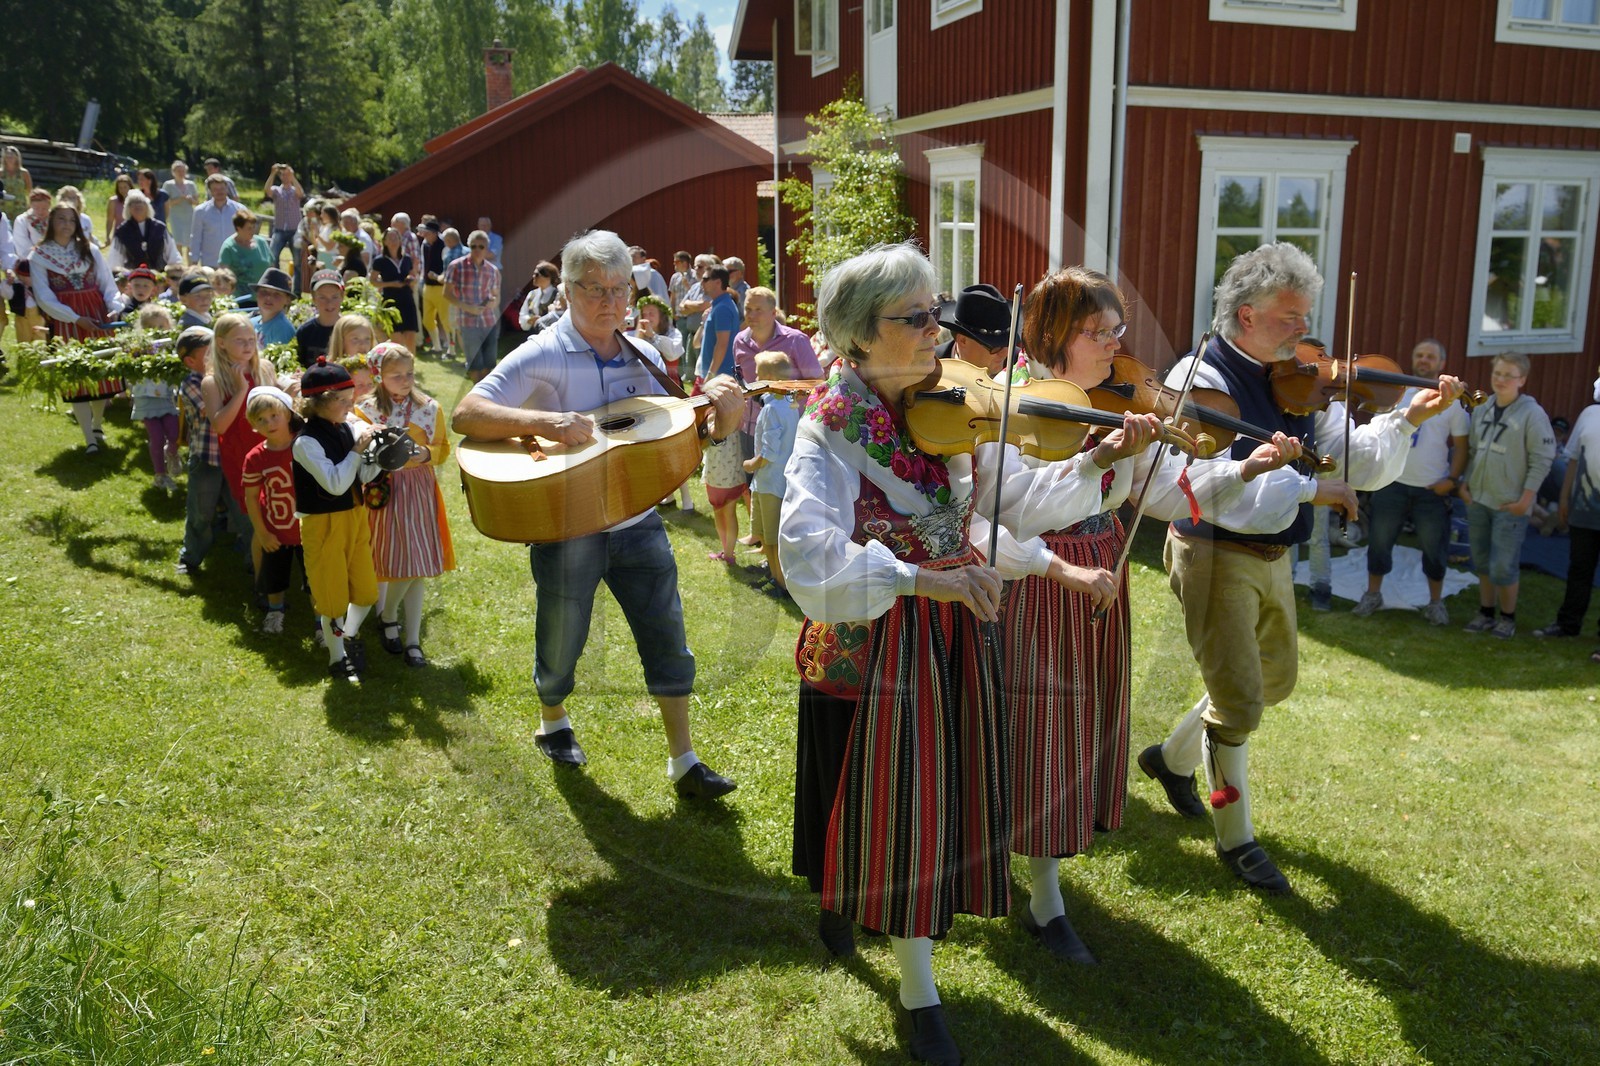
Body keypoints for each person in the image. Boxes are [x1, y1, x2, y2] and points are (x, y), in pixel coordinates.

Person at [778, 243, 1146, 1065]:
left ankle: (865, 911)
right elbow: (807, 558)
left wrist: (1055, 565)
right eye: (915, 318)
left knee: (929, 800)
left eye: (934, 313)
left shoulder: (939, 411)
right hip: (876, 645)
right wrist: (923, 581)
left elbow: (971, 527)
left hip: (948, 634)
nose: (936, 332)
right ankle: (918, 997)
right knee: (881, 794)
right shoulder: (831, 428)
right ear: (858, 336)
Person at [1135, 242, 1466, 897]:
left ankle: (1170, 759)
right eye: (1290, 316)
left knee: (1272, 683)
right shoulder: (1201, 377)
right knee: (1238, 707)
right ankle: (1238, 839)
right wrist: (1308, 490)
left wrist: (1405, 417)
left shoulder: (1301, 376)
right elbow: (1195, 483)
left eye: (1306, 316)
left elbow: (1351, 459)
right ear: (1248, 315)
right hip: (1214, 551)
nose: (1303, 331)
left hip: (1274, 553)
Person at [1003, 266, 1296, 963]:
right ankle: (1043, 902)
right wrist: (1100, 455)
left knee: (1074, 729)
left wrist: (1244, 469)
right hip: (1040, 583)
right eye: (1097, 333)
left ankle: (1036, 876)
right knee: (1039, 729)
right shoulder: (1011, 402)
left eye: (1117, 330)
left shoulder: (1127, 400)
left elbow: (1169, 492)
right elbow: (1005, 507)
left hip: (1100, 577)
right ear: (1051, 336)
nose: (1114, 345)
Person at [451, 228, 744, 799]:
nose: (610, 302)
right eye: (594, 289)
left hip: (638, 521)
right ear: (567, 291)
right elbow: (467, 411)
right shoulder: (542, 352)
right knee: (562, 640)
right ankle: (553, 719)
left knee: (667, 636)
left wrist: (721, 425)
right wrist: (545, 422)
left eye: (620, 289)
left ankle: (683, 760)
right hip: (566, 526)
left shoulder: (649, 355)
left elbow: (671, 440)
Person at [1352, 339, 1470, 625]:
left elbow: (1462, 447)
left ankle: (1435, 602)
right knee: (1380, 541)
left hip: (1431, 487)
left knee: (1434, 546)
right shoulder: (1397, 394)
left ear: (1441, 363)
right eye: (1420, 355)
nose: (1424, 360)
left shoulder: (1452, 401)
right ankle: (1372, 594)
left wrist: (1452, 480)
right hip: (1393, 481)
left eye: (1431, 357)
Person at [357, 343, 454, 667]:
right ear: (378, 375)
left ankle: (408, 635)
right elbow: (360, 453)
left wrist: (425, 454)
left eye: (409, 374)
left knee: (420, 566)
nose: (405, 380)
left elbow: (441, 447)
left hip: (420, 489)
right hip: (385, 492)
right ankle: (389, 618)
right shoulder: (366, 410)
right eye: (396, 375)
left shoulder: (429, 408)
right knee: (402, 562)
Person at [293, 358, 381, 683]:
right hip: (323, 524)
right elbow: (335, 483)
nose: (350, 406)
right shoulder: (305, 442)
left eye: (350, 398)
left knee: (366, 591)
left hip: (354, 517)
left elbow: (363, 476)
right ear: (318, 404)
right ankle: (336, 658)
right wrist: (358, 450)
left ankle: (348, 638)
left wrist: (380, 456)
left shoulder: (346, 427)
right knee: (332, 600)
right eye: (342, 401)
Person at [1460, 353, 1555, 638]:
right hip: (1478, 498)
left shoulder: (1532, 414)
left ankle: (1507, 617)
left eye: (1508, 375)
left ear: (1522, 380)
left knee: (1504, 564)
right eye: (1497, 373)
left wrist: (1527, 499)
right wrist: (1465, 484)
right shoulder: (1483, 408)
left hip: (1510, 503)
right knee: (1482, 559)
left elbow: (1543, 458)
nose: (1501, 379)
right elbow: (1474, 450)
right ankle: (1486, 612)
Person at [28, 203, 126, 451]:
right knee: (77, 375)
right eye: (61, 219)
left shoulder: (89, 249)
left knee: (102, 373)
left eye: (71, 220)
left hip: (96, 314)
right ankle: (88, 438)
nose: (67, 225)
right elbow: (43, 296)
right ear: (51, 222)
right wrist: (74, 318)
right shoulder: (39, 255)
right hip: (67, 320)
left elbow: (106, 283)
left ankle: (98, 424)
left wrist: (114, 305)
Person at [203, 313, 282, 580]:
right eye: (240, 340)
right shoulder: (213, 381)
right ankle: (259, 571)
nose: (248, 346)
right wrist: (240, 390)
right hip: (241, 456)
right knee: (253, 512)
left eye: (251, 339)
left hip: (273, 448)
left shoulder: (265, 369)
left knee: (278, 504)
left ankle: (279, 565)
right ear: (222, 343)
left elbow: (278, 407)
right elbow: (220, 425)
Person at [175, 325, 247, 576]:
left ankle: (253, 557)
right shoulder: (194, 382)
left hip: (234, 457)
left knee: (243, 509)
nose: (216, 356)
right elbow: (211, 411)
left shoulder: (230, 378)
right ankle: (192, 556)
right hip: (207, 458)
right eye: (209, 353)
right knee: (200, 510)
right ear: (190, 361)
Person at [1535, 377, 1600, 649]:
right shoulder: (1589, 414)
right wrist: (1563, 499)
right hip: (1584, 508)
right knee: (1579, 570)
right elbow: (1573, 458)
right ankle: (1567, 624)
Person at [241, 386, 305, 634]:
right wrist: (262, 533)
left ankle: (322, 623)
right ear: (254, 425)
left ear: (288, 414)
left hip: (308, 529)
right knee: (274, 577)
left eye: (274, 415)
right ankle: (274, 612)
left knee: (315, 580)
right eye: (261, 420)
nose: (269, 423)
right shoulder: (255, 457)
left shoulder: (304, 444)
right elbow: (251, 497)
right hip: (275, 530)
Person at [742, 351, 802, 593]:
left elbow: (769, 453)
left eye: (758, 374)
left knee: (772, 539)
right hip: (778, 481)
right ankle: (774, 576)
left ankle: (780, 584)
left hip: (770, 482)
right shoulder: (789, 404)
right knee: (770, 536)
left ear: (768, 377)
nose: (755, 377)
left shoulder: (771, 409)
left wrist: (749, 464)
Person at [128, 303, 183, 492]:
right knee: (157, 437)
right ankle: (160, 475)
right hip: (146, 398)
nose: (157, 332)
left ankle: (173, 454)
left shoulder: (172, 346)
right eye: (151, 328)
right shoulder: (139, 348)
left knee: (174, 433)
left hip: (166, 398)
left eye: (161, 327)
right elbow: (128, 365)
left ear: (168, 325)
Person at [443, 229, 501, 381]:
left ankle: (487, 398)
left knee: (489, 364)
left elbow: (496, 296)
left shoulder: (492, 270)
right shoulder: (456, 266)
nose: (477, 250)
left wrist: (493, 302)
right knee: (475, 365)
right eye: (473, 246)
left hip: (488, 321)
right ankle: (477, 395)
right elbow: (446, 294)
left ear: (486, 249)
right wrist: (468, 307)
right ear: (469, 247)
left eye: (481, 247)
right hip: (467, 322)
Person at [937, 283, 1017, 376]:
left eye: (1007, 343)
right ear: (963, 341)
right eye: (996, 347)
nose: (1005, 353)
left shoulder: (1018, 366)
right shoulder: (930, 365)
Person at [371, 227, 418, 351]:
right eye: (390, 238)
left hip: (407, 299)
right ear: (384, 241)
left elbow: (413, 274)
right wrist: (391, 284)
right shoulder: (379, 260)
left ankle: (411, 366)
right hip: (390, 301)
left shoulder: (406, 258)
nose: (393, 240)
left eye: (396, 237)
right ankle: (399, 364)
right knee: (396, 338)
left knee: (411, 335)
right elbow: (373, 281)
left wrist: (411, 279)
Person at [109, 191, 179, 271]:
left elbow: (172, 253)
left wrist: (174, 270)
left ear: (147, 206)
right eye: (133, 203)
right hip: (133, 279)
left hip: (159, 277)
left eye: (140, 202)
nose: (137, 205)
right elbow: (115, 259)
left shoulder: (160, 228)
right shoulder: (122, 231)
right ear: (128, 209)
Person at [188, 175, 246, 269]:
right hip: (211, 263)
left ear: (227, 189)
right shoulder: (201, 211)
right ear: (210, 191)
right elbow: (196, 238)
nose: (220, 191)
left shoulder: (240, 209)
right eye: (215, 189)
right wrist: (194, 262)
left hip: (235, 263)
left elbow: (246, 235)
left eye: (222, 188)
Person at [694, 265, 739, 383]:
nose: (701, 283)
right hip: (717, 375)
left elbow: (722, 344)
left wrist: (711, 373)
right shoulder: (719, 305)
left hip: (720, 376)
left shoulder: (722, 308)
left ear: (718, 282)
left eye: (705, 279)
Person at [263, 164, 304, 288]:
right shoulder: (276, 190)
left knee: (297, 262)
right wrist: (273, 173)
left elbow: (301, 193)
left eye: (288, 175)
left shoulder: (294, 190)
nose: (286, 177)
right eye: (283, 175)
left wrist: (293, 177)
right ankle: (278, 284)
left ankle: (297, 289)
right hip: (280, 229)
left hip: (294, 230)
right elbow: (267, 190)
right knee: (273, 256)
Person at [296, 270, 346, 367]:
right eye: (322, 297)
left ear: (342, 296)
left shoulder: (350, 329)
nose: (329, 303)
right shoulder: (305, 332)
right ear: (314, 298)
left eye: (334, 297)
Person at [218, 208, 275, 294]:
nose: (253, 231)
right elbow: (224, 276)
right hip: (240, 298)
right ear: (238, 228)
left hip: (263, 296)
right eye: (249, 228)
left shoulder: (262, 243)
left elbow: (272, 268)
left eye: (253, 227)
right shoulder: (229, 247)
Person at [417, 220, 451, 352]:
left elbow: (447, 266)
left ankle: (450, 346)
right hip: (427, 286)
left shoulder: (443, 245)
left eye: (427, 232)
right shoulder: (425, 245)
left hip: (440, 287)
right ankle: (437, 346)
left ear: (434, 233)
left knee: (445, 319)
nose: (424, 234)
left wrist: (438, 276)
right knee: (427, 319)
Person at [250, 267, 297, 347]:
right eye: (264, 292)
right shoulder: (251, 323)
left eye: (277, 294)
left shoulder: (282, 329)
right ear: (257, 295)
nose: (268, 297)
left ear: (287, 300)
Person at [161, 162, 198, 261]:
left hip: (190, 217)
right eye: (178, 171)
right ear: (173, 172)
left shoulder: (191, 184)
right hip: (175, 217)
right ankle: (179, 265)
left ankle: (190, 266)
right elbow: (166, 203)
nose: (181, 173)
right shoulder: (168, 185)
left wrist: (191, 200)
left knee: (190, 242)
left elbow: (197, 202)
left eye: (183, 171)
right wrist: (179, 199)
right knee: (178, 243)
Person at [517, 260, 561, 334]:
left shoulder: (557, 294)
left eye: (537, 274)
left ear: (548, 277)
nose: (533, 276)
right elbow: (523, 314)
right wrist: (529, 320)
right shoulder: (532, 294)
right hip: (532, 334)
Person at [1, 146, 32, 220]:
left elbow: (29, 190)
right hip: (3, 205)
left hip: (20, 206)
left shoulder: (24, 173)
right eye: (7, 157)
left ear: (17, 158)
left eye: (12, 156)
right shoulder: (1, 173)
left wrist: (30, 205)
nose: (10, 159)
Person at [105, 173, 134, 247]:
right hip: (119, 236)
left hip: (135, 236)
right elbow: (110, 220)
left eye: (125, 187)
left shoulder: (136, 200)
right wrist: (108, 235)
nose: (123, 190)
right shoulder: (113, 201)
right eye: (120, 188)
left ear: (130, 187)